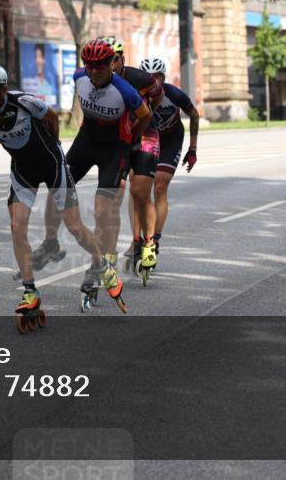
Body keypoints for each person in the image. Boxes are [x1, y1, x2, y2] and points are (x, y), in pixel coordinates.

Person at [0, 64, 125, 324]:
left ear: (3, 90)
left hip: (52, 164)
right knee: (17, 226)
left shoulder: (25, 102)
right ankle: (30, 291)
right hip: (23, 170)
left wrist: (55, 146)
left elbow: (52, 118)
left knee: (75, 226)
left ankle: (102, 265)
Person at [35, 39, 148, 309]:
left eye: (100, 65)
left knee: (102, 210)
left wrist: (132, 139)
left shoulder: (125, 91)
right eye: (90, 65)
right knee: (56, 187)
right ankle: (51, 242)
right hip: (86, 142)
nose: (94, 71)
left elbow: (145, 115)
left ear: (111, 64)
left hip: (114, 150)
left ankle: (99, 266)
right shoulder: (79, 77)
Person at [104, 38, 164, 284]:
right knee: (114, 195)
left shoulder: (140, 78)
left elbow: (158, 95)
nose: (110, 64)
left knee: (140, 192)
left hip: (145, 135)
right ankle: (111, 254)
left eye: (114, 59)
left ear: (122, 59)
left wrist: (147, 116)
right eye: (104, 61)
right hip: (120, 139)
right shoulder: (96, 80)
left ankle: (148, 242)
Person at [130, 56, 198, 262]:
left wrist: (192, 149)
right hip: (147, 139)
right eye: (149, 76)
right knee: (137, 188)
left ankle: (155, 240)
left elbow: (194, 115)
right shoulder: (134, 95)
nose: (154, 81)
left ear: (163, 77)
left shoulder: (174, 94)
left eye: (158, 76)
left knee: (159, 186)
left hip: (170, 140)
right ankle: (136, 239)